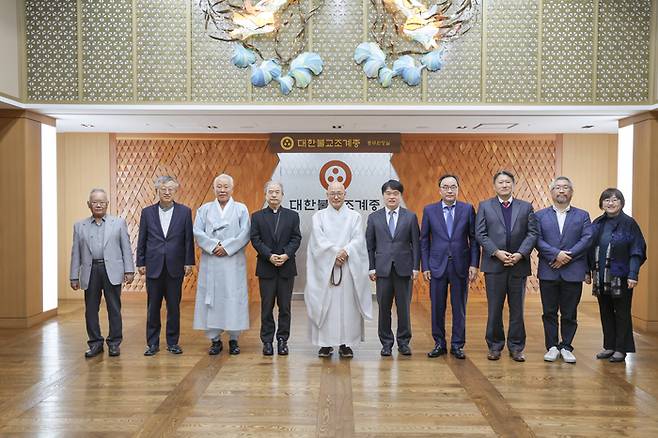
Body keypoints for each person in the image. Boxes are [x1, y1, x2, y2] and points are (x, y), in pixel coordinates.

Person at [305, 181, 372, 358]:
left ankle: (346, 344)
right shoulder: (318, 216)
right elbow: (318, 241)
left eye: (339, 193)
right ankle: (325, 345)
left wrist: (346, 252)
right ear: (326, 195)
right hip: (326, 270)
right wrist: (334, 253)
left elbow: (358, 239)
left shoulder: (354, 216)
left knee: (348, 307)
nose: (336, 196)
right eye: (332, 193)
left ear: (345, 194)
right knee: (325, 305)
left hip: (348, 268)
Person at [475, 170, 538, 362]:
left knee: (517, 309)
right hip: (494, 265)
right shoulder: (485, 206)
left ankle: (517, 347)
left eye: (508, 182)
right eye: (500, 182)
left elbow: (532, 233)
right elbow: (480, 234)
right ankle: (494, 346)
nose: (504, 185)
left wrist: (520, 254)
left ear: (513, 185)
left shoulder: (526, 207)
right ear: (495, 186)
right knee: (494, 308)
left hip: (518, 265)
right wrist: (497, 252)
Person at [420, 174, 480, 360]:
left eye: (453, 186)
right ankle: (439, 343)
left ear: (457, 189)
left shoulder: (467, 209)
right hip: (437, 265)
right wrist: (426, 265)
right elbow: (424, 240)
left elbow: (474, 239)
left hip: (460, 266)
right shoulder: (429, 210)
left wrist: (474, 264)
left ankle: (457, 345)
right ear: (439, 190)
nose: (449, 190)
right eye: (445, 187)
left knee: (459, 307)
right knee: (437, 307)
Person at [70, 188, 134, 358]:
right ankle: (95, 343)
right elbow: (75, 252)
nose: (98, 205)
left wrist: (129, 270)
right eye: (95, 202)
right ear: (89, 204)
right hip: (90, 271)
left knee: (114, 308)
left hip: (111, 270)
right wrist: (73, 276)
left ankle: (114, 343)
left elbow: (126, 248)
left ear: (107, 204)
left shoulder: (118, 223)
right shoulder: (79, 226)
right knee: (91, 309)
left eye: (102, 202)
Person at [535, 177, 592, 364]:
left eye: (565, 188)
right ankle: (551, 346)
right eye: (557, 188)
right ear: (551, 193)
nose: (561, 191)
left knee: (570, 312)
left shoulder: (582, 215)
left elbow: (586, 239)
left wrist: (567, 256)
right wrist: (556, 254)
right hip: (549, 270)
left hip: (573, 271)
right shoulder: (540, 216)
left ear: (571, 192)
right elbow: (537, 239)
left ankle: (566, 346)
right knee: (549, 311)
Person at [136, 176, 195, 356]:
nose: (167, 192)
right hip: (153, 266)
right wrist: (141, 261)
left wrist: (189, 262)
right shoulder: (147, 212)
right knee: (153, 306)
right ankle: (152, 343)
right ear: (157, 191)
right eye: (163, 189)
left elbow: (188, 240)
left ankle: (172, 342)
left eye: (170, 189)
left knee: (174, 307)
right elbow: (142, 238)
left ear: (175, 190)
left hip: (175, 266)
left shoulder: (184, 212)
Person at [193, 174, 251, 355]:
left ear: (232, 189)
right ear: (214, 189)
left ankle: (234, 339)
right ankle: (215, 340)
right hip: (212, 261)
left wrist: (227, 247)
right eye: (219, 186)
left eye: (226, 186)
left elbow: (245, 232)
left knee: (233, 298)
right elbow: (197, 231)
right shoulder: (204, 210)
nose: (222, 190)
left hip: (232, 260)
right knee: (213, 299)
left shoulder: (241, 209)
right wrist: (213, 246)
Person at [587, 188, 646, 363]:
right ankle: (609, 346)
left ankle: (621, 348)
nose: (610, 203)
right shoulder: (597, 223)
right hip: (600, 276)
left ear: (621, 203)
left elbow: (637, 250)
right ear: (601, 203)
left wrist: (633, 274)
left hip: (621, 276)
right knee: (605, 311)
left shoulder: (629, 223)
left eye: (614, 200)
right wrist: (587, 271)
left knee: (621, 312)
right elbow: (588, 248)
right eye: (606, 200)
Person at [366, 179, 420, 356]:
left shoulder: (410, 217)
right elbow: (370, 245)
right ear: (383, 196)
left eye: (395, 193)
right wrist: (371, 267)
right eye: (388, 193)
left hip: (404, 269)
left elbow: (416, 244)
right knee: (384, 308)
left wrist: (415, 267)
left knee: (403, 308)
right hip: (382, 270)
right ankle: (386, 343)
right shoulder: (374, 218)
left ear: (400, 196)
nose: (391, 196)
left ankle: (404, 342)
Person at [250, 181, 302, 356]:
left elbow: (296, 238)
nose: (274, 195)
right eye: (270, 192)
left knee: (285, 307)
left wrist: (286, 254)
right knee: (266, 306)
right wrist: (270, 256)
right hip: (266, 267)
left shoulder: (292, 216)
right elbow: (255, 239)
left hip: (287, 268)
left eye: (277, 192)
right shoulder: (257, 216)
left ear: (282, 195)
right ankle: (267, 341)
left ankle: (282, 340)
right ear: (265, 195)